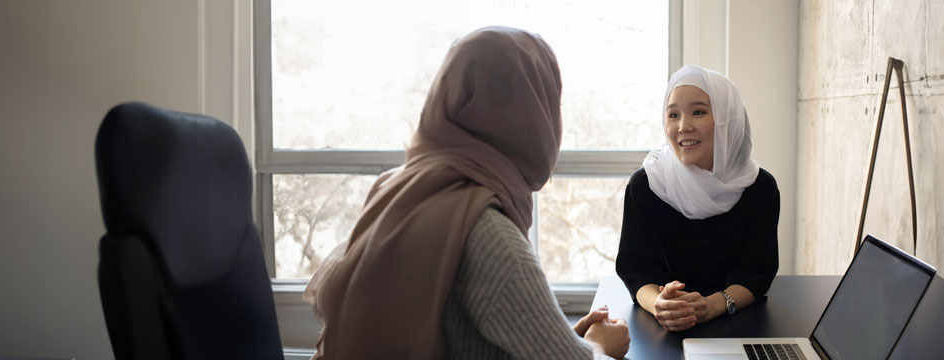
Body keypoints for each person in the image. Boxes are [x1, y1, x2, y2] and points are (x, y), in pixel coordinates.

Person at [303, 26, 630, 359]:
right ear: (532, 115)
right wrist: (600, 345)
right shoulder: (488, 235)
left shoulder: (394, 188)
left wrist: (562, 338)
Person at [616, 65, 780, 332]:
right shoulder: (647, 184)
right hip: (661, 328)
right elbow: (636, 270)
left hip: (736, 322)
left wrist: (714, 305)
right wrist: (660, 304)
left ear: (728, 119)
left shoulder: (760, 188)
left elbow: (756, 273)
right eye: (673, 115)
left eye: (699, 112)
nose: (683, 127)